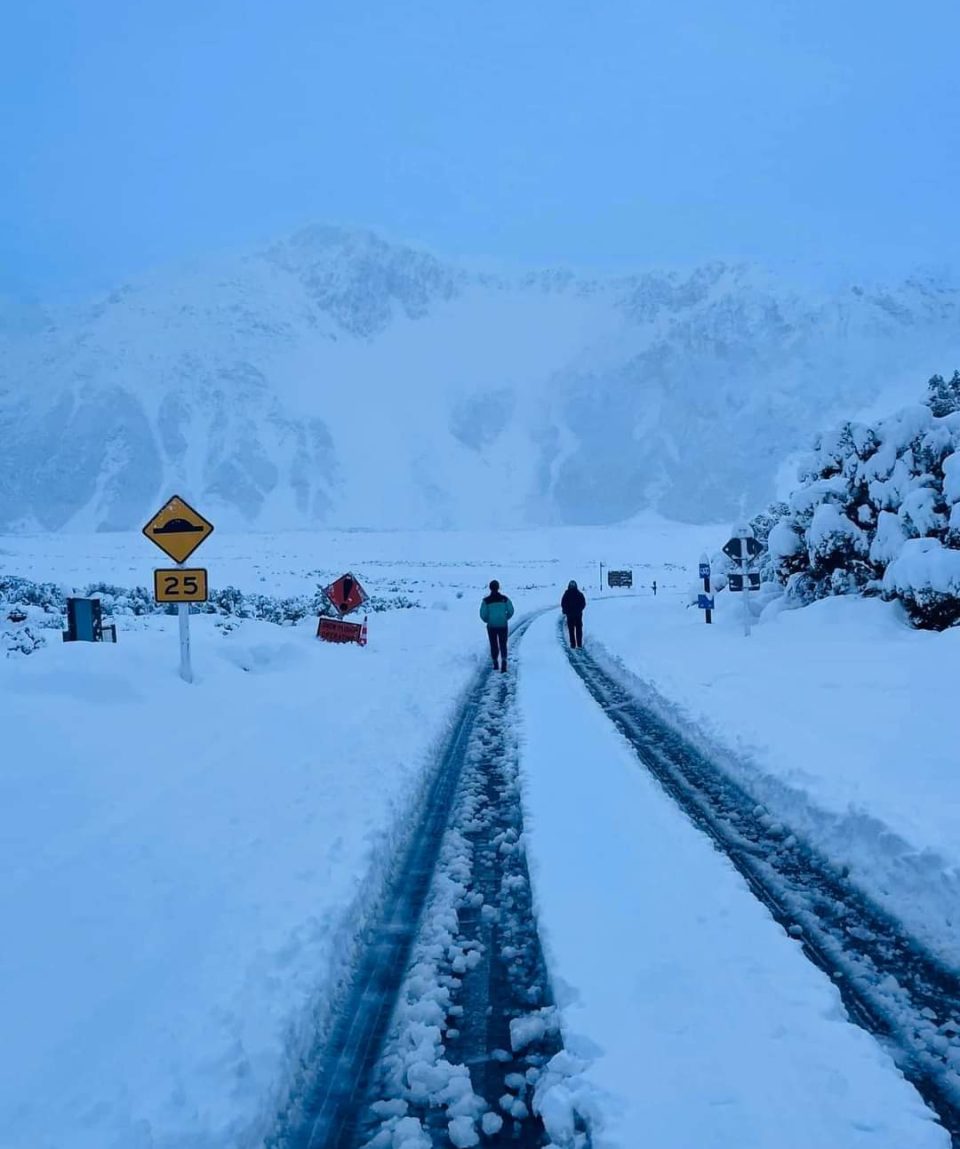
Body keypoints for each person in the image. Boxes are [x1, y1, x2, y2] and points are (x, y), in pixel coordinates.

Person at [480, 580, 515, 671]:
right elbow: (511, 610)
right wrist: (506, 617)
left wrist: (488, 620)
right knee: (503, 643)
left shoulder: (486, 601)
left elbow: (482, 614)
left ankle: (495, 662)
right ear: (498, 587)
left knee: (493, 644)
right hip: (503, 625)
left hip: (491, 626)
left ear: (490, 588)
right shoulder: (504, 599)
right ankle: (504, 661)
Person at [561, 580, 587, 648]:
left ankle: (573, 644)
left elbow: (563, 604)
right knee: (578, 630)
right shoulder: (579, 594)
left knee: (571, 630)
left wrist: (566, 611)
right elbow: (583, 603)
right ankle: (579, 644)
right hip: (577, 615)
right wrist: (579, 610)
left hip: (571, 615)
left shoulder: (566, 594)